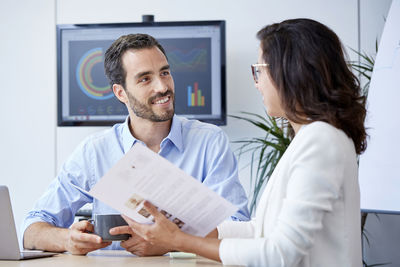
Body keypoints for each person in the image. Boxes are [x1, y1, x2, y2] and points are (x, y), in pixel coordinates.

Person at [120, 18, 367, 266]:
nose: (256, 82)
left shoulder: (321, 141)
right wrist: (183, 233)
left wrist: (179, 241)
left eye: (260, 69)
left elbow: (280, 254)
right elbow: (262, 229)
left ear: (291, 72)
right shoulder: (311, 138)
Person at [22, 34, 250, 256]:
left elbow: (239, 226)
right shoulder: (95, 151)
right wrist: (68, 240)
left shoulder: (209, 142)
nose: (162, 87)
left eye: (165, 73)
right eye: (145, 79)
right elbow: (31, 228)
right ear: (121, 93)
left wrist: (172, 243)